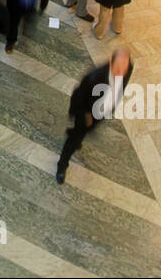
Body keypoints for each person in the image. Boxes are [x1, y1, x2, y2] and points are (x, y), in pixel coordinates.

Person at [55, 48, 133, 183]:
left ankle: (78, 136)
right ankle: (62, 165)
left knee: (85, 132)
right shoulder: (95, 77)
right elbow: (78, 97)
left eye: (124, 68)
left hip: (101, 113)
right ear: (111, 63)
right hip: (85, 114)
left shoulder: (128, 69)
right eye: (118, 67)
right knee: (73, 140)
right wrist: (85, 116)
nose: (121, 72)